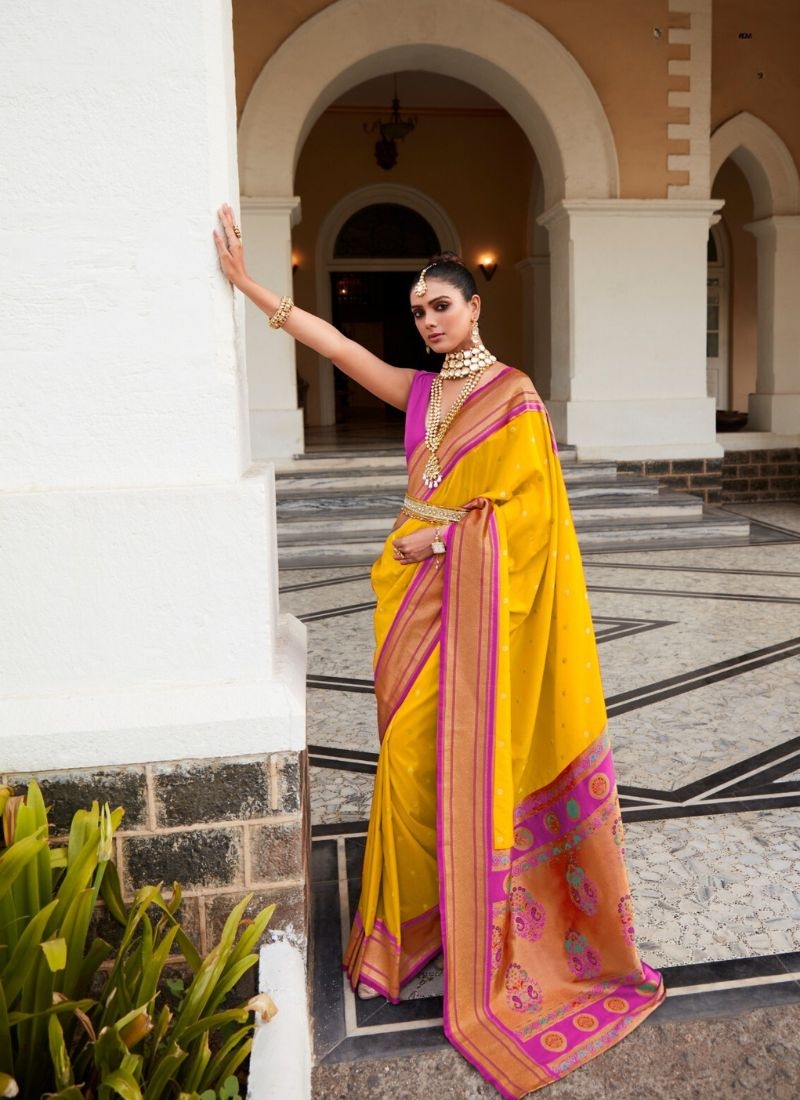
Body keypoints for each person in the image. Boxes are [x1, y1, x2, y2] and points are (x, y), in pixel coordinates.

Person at [214, 204, 664, 1098]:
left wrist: (450, 539)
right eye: (417, 309)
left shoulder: (516, 397)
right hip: (411, 600)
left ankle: (473, 926)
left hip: (467, 594)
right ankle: (412, 925)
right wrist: (251, 287)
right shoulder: (421, 392)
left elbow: (533, 522)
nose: (426, 321)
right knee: (410, 766)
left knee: (446, 764)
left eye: (440, 307)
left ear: (473, 309)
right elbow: (339, 350)